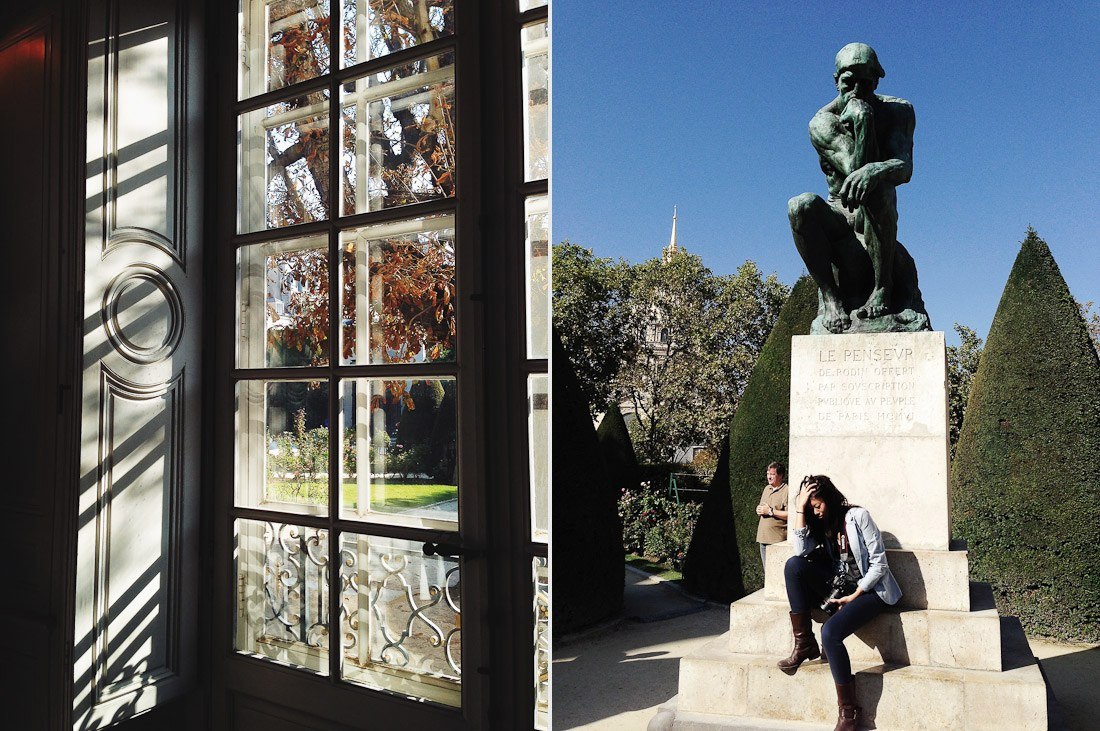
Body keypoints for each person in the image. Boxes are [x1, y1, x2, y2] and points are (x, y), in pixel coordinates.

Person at [788, 43, 929, 334]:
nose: (856, 90)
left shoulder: (899, 111)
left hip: (874, 218)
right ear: (835, 80)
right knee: (799, 206)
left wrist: (876, 168)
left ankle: (882, 288)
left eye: (865, 83)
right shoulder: (821, 122)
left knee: (878, 185)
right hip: (840, 216)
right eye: (848, 82)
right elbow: (853, 170)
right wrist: (863, 121)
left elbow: (905, 169)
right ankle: (830, 297)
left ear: (877, 81)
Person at [777, 475, 901, 731]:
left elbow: (880, 565)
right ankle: (804, 643)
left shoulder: (858, 517)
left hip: (870, 591)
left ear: (830, 499)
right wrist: (800, 509)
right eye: (810, 508)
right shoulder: (819, 524)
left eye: (818, 505)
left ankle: (848, 713)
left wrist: (854, 594)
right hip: (840, 585)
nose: (816, 511)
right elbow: (799, 551)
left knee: (831, 632)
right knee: (793, 566)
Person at [754, 461, 788, 568]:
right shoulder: (766, 489)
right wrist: (759, 509)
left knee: (776, 573)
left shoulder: (786, 491)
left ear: (780, 475)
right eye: (768, 474)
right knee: (767, 573)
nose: (769, 477)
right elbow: (762, 507)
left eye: (772, 474)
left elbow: (790, 515)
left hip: (776, 541)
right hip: (763, 539)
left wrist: (770, 511)